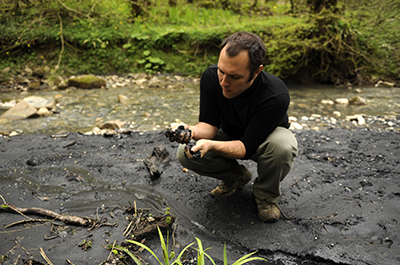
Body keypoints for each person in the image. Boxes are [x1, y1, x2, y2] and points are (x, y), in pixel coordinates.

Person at [168, 31, 298, 223]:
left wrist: (211, 146)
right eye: (221, 71)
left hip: (264, 141)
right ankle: (236, 177)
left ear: (256, 72)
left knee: (283, 146)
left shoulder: (275, 95)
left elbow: (247, 147)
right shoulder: (211, 77)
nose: (224, 82)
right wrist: (190, 131)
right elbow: (209, 125)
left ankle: (265, 197)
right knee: (184, 152)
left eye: (234, 77)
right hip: (229, 133)